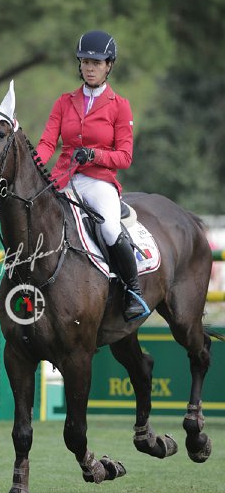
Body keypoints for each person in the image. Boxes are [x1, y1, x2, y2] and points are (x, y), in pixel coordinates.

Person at [36, 29, 149, 321]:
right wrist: (34, 165)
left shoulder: (120, 106)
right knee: (33, 219)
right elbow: (47, 143)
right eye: (85, 62)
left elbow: (124, 157)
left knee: (110, 229)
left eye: (96, 63)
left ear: (108, 65)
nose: (89, 68)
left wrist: (94, 155)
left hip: (99, 182)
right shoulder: (64, 102)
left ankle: (133, 290)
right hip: (63, 179)